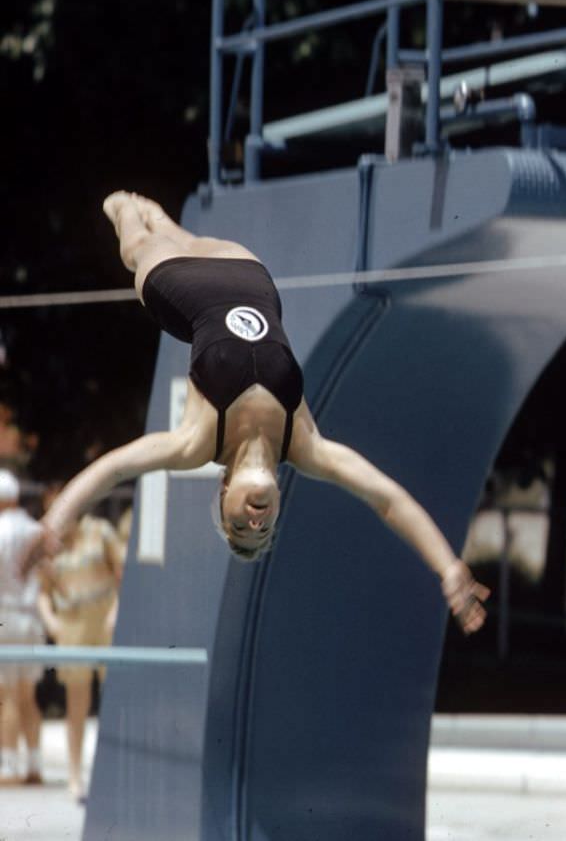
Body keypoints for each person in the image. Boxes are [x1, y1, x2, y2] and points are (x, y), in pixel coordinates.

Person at [24, 191, 489, 633]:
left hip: (181, 293)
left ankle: (126, 207)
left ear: (224, 490)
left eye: (239, 528)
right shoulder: (305, 443)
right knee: (182, 238)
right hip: (248, 274)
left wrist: (57, 522)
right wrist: (447, 567)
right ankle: (161, 216)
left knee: (139, 249)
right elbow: (387, 499)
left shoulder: (196, 443)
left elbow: (113, 467)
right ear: (278, 505)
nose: (255, 522)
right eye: (262, 530)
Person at [37, 485, 123, 802]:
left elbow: (123, 573)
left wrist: (115, 611)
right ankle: (76, 775)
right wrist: (52, 622)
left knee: (112, 700)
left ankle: (112, 774)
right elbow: (43, 593)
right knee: (76, 704)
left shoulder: (99, 532)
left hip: (103, 621)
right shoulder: (50, 548)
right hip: (72, 625)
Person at [0, 470, 44, 786]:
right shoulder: (35, 530)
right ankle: (34, 762)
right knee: (28, 695)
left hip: (5, 617)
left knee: (7, 695)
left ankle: (8, 765)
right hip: (31, 618)